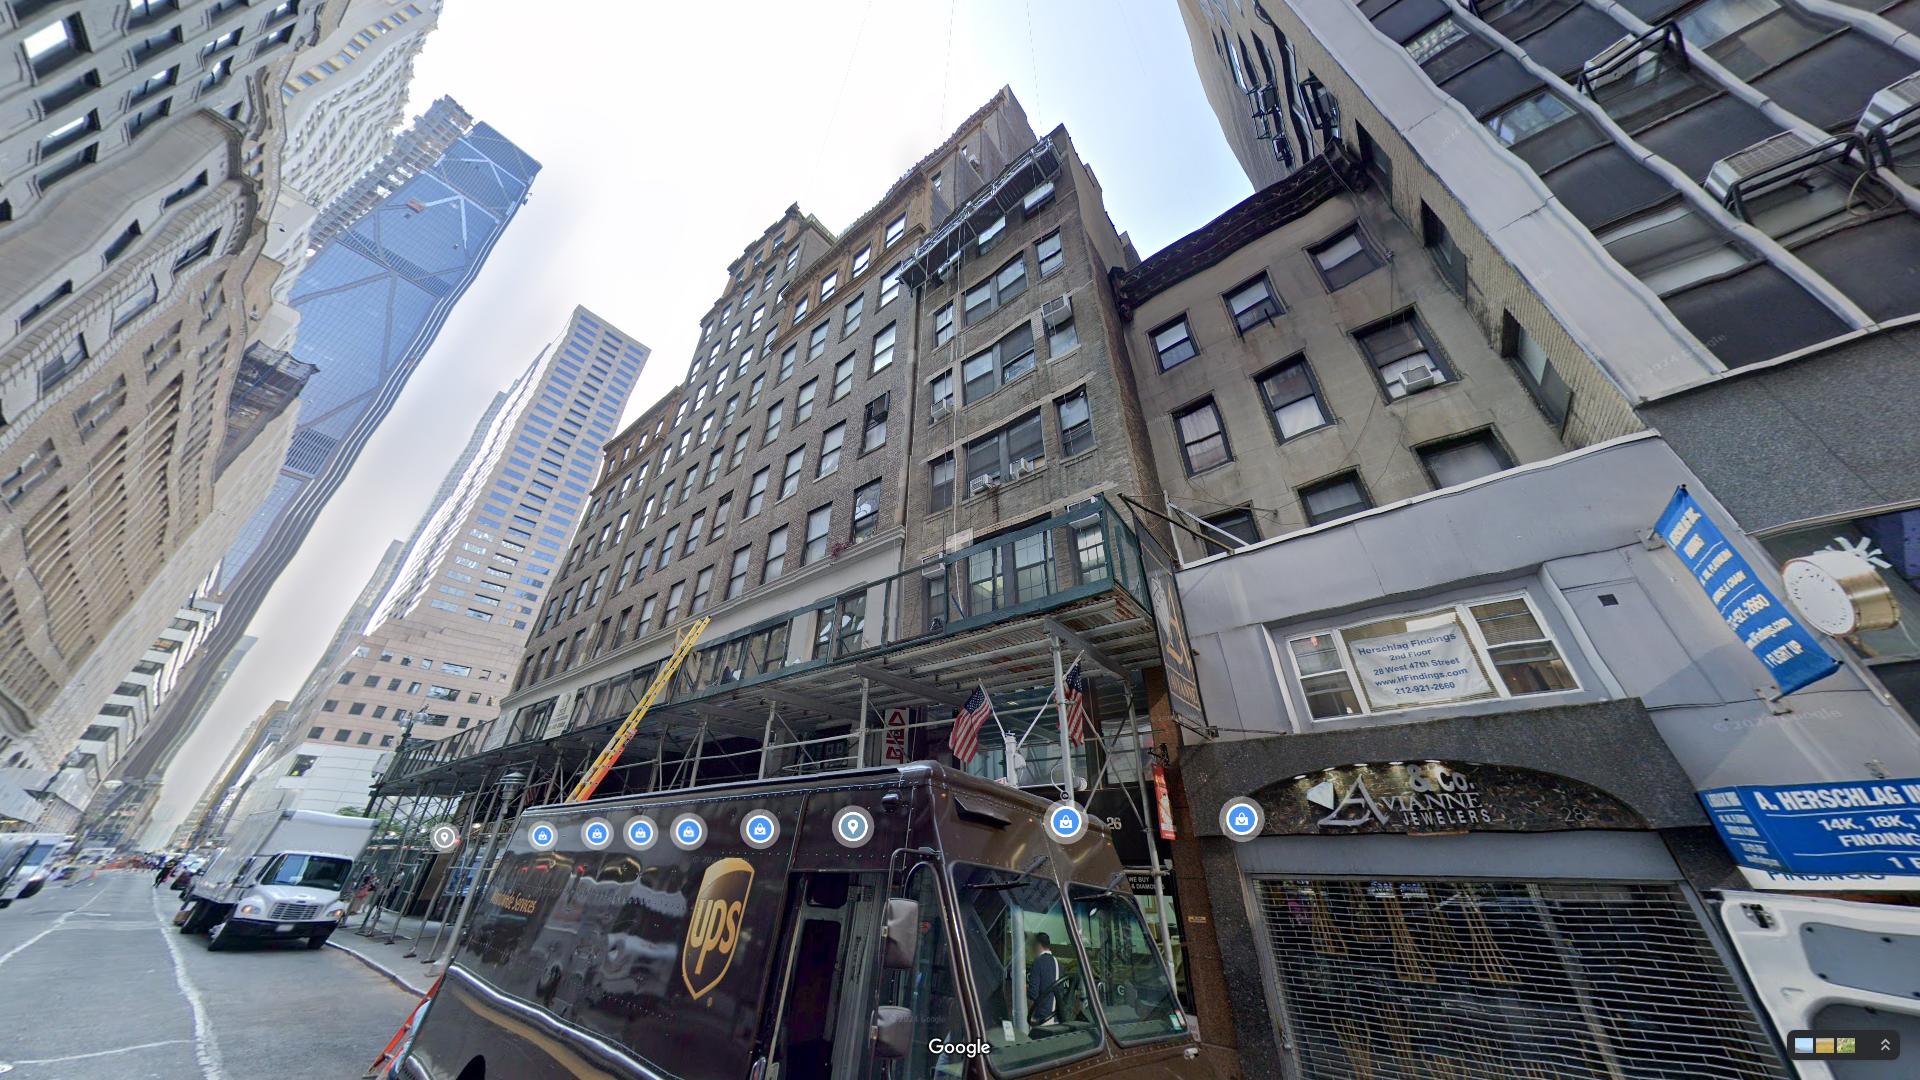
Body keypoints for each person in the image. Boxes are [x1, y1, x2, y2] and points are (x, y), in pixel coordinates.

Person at [1027, 932, 1060, 1026]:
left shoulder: (1038, 962)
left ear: (1038, 945)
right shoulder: (1058, 963)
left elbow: (1033, 993)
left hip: (1041, 1019)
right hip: (1056, 1018)